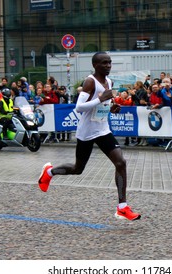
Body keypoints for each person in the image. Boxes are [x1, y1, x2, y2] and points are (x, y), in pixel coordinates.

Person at [38, 52, 141, 221]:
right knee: (78, 169)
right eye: (104, 63)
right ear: (95, 65)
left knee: (121, 162)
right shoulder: (89, 81)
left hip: (103, 130)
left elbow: (104, 104)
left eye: (110, 62)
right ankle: (49, 172)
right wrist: (101, 99)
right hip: (87, 132)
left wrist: (111, 107)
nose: (108, 65)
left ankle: (122, 207)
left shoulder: (109, 82)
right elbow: (79, 107)